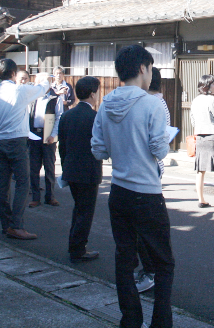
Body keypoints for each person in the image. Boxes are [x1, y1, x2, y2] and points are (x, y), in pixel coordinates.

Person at [91, 45, 174, 328]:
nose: (151, 74)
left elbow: (99, 150)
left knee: (124, 260)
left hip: (119, 192)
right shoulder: (152, 104)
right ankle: (160, 324)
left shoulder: (105, 103)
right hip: (148, 195)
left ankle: (130, 320)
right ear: (142, 68)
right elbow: (158, 150)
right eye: (151, 69)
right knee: (164, 263)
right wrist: (162, 142)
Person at [0, 59, 51, 240]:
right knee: (23, 183)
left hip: (0, 141)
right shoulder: (20, 91)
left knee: (3, 184)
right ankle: (16, 225)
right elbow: (41, 89)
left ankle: (6, 224)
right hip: (17, 141)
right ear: (14, 74)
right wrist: (46, 79)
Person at [134, 67, 171, 293]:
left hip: (147, 168)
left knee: (143, 226)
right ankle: (151, 269)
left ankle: (151, 271)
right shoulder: (158, 103)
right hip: (151, 168)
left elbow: (158, 145)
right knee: (145, 224)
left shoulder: (152, 104)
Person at [58, 76, 102, 262]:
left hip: (71, 168)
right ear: (92, 94)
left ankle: (74, 245)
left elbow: (62, 146)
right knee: (85, 211)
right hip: (89, 170)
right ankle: (78, 249)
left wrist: (64, 165)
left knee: (79, 209)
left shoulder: (67, 115)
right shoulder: (95, 117)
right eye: (97, 92)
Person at [27, 73, 65, 208]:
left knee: (49, 167)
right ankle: (35, 197)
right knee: (34, 168)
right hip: (33, 135)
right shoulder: (32, 98)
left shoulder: (56, 98)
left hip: (49, 135)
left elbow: (59, 118)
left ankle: (50, 196)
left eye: (43, 82)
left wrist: (53, 135)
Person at [190, 74, 214, 210]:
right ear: (207, 86)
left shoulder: (195, 101)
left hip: (200, 137)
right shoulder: (213, 100)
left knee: (200, 170)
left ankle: (201, 200)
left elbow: (193, 121)